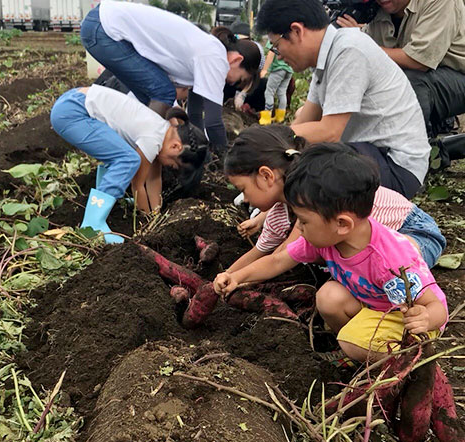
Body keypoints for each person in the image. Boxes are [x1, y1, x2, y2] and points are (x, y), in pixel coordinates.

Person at [214, 144, 448, 362]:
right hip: (374, 306)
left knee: (351, 341)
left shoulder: (391, 259)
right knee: (328, 297)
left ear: (343, 224)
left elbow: (437, 306)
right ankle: (354, 352)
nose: (299, 229)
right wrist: (236, 277)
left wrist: (425, 319)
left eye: (303, 222)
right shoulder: (324, 238)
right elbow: (277, 261)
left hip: (409, 322)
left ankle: (403, 361)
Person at [255, 0, 430, 199]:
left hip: (396, 168)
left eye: (277, 47)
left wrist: (262, 139)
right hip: (369, 155)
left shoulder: (349, 49)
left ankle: (300, 227)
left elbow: (329, 132)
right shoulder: (325, 57)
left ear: (296, 31)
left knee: (318, 165)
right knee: (303, 157)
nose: (278, 57)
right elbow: (304, 123)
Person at [225, 125, 445, 271]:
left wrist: (238, 279)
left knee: (391, 266)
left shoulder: (316, 195)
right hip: (364, 248)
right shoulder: (279, 215)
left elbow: (280, 256)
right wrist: (226, 276)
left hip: (411, 232)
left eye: (243, 189)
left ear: (266, 176)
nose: (244, 198)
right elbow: (260, 252)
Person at [80, 0, 261, 150]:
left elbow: (196, 115)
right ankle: (149, 154)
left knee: (151, 98)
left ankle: (140, 151)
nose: (230, 83)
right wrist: (225, 159)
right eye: (239, 80)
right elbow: (213, 123)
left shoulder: (209, 52)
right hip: (106, 29)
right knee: (163, 93)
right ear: (237, 60)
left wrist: (198, 149)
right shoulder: (216, 58)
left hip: (100, 25)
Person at [50, 84, 208, 243]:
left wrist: (156, 214)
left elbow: (153, 179)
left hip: (73, 102)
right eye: (173, 165)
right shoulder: (153, 138)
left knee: (121, 155)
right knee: (128, 159)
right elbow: (137, 185)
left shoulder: (162, 132)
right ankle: (92, 224)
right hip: (73, 111)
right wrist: (148, 224)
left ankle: (105, 205)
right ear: (176, 147)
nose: (169, 167)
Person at [337, 0, 465, 161]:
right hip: (429, 79)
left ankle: (409, 162)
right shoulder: (375, 8)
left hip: (457, 74)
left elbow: (418, 61)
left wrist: (360, 43)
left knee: (410, 82)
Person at [259, 39, 293, 125]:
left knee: (269, 92)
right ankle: (280, 117)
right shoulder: (288, 38)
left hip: (278, 69)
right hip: (288, 69)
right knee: (282, 92)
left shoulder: (275, 38)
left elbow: (271, 54)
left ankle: (266, 118)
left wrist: (264, 69)